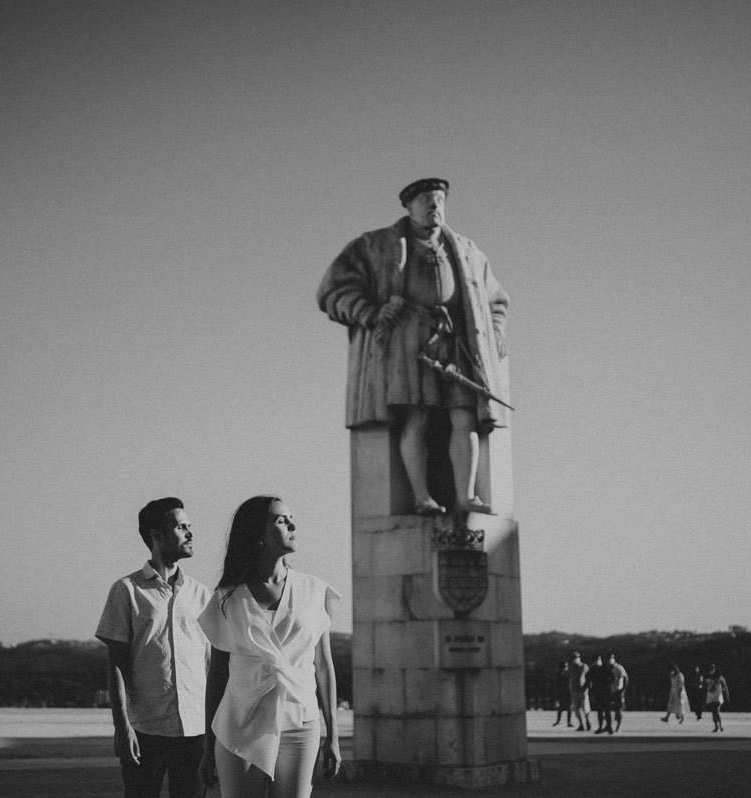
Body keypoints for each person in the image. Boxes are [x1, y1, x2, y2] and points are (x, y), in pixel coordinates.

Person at [318, 178, 509, 516]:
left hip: (457, 341)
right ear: (408, 206)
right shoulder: (374, 245)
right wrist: (370, 312)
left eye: (439, 199)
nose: (434, 205)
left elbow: (496, 301)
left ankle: (465, 497)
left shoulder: (467, 250)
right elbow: (334, 288)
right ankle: (421, 497)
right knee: (416, 415)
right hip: (406, 339)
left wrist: (492, 337)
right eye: (425, 199)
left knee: (464, 416)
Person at [198, 496, 342, 797]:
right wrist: (208, 746)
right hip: (239, 722)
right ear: (257, 535)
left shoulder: (314, 590)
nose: (292, 524)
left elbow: (324, 667)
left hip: (300, 722)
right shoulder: (228, 598)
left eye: (290, 517)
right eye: (280, 519)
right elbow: (218, 674)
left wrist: (333, 736)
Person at [95, 497, 211, 798]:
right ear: (156, 536)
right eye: (181, 526)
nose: (190, 533)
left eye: (190, 526)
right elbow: (116, 666)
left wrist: (215, 732)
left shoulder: (200, 594)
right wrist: (122, 728)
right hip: (146, 729)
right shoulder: (127, 590)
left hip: (195, 730)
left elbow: (211, 665)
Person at [587, 655, 614, 734]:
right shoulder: (602, 668)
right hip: (601, 692)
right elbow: (612, 678)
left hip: (603, 692)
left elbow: (612, 678)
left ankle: (607, 727)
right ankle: (605, 727)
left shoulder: (602, 669)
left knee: (604, 710)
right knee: (603, 711)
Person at [567, 651, 592, 731]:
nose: (575, 659)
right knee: (576, 709)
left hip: (583, 690)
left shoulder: (584, 666)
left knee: (585, 708)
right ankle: (581, 724)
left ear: (579, 658)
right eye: (573, 658)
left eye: (576, 658)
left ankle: (588, 721)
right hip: (574, 690)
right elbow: (568, 677)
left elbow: (589, 678)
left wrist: (588, 687)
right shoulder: (571, 668)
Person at [704, 664, 730, 732]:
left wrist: (726, 694)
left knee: (716, 710)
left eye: (712, 670)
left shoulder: (719, 677)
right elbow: (705, 685)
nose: (711, 671)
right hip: (711, 696)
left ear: (714, 669)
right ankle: (716, 726)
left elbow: (725, 685)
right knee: (713, 712)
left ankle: (720, 726)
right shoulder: (708, 677)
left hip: (718, 695)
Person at [608, 652, 629, 731]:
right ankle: (609, 725)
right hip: (610, 691)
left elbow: (626, 678)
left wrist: (623, 689)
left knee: (618, 709)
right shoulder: (607, 668)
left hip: (618, 691)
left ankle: (618, 727)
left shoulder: (618, 668)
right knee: (608, 708)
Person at [552, 660, 573, 727]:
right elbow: (556, 685)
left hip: (568, 693)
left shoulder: (569, 674)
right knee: (560, 708)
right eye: (564, 666)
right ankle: (558, 721)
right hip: (561, 693)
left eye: (566, 666)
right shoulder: (558, 674)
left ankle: (569, 722)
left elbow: (571, 683)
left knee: (569, 708)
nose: (565, 668)